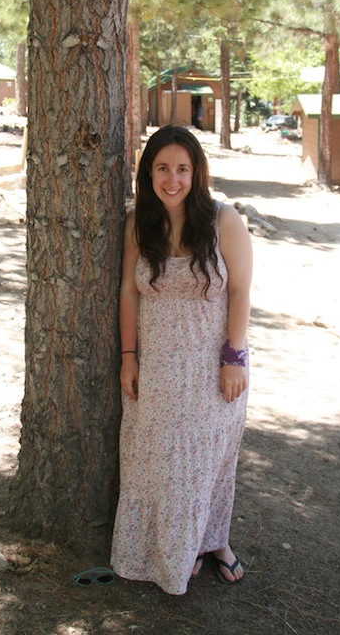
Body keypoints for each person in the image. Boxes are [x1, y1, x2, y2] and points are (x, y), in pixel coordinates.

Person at [111, 124, 252, 595]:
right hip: (157, 367)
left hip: (211, 366)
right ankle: (176, 545)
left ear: (197, 173)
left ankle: (214, 540)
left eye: (183, 169)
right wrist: (128, 356)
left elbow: (239, 289)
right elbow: (129, 292)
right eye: (162, 169)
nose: (172, 180)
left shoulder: (222, 220)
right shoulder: (138, 223)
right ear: (149, 173)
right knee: (159, 462)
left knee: (208, 458)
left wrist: (234, 357)